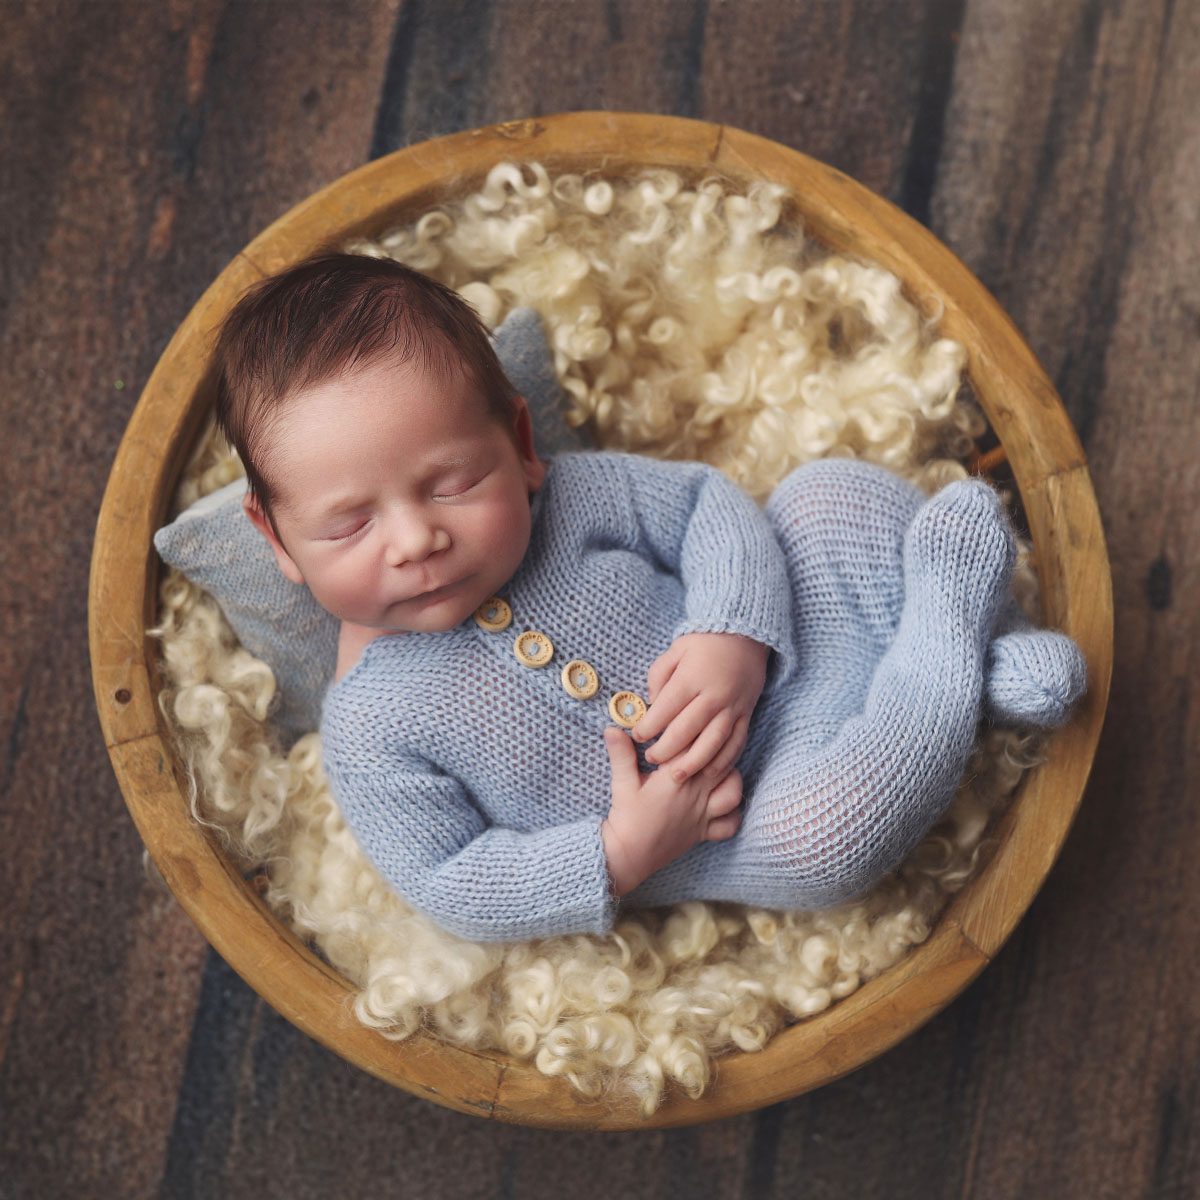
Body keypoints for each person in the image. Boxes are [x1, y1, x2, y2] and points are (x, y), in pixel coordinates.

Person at [215, 250, 1088, 943]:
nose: (415, 541)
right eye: (348, 527)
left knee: (828, 497)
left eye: (451, 483)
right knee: (833, 841)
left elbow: (708, 508)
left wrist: (730, 634)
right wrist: (620, 853)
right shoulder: (368, 730)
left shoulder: (574, 497)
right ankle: (949, 651)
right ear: (277, 541)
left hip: (804, 646)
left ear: (518, 441)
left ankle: (978, 641)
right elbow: (451, 883)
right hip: (746, 814)